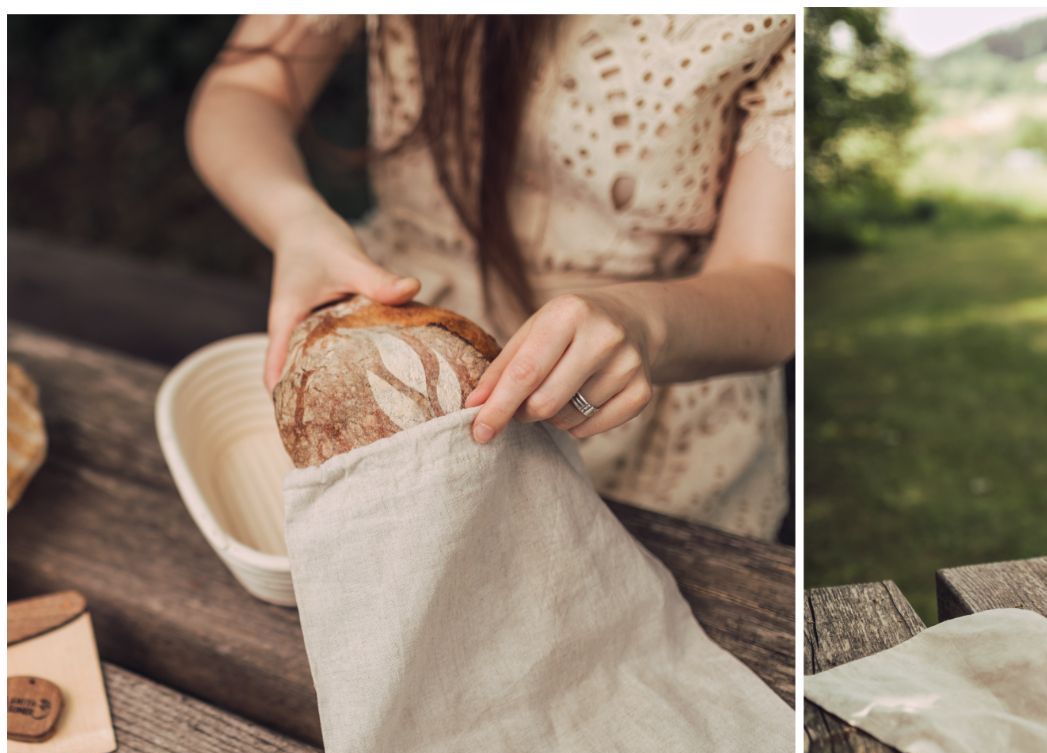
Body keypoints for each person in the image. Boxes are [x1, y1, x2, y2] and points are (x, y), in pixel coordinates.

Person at [187, 14, 795, 539]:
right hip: (388, 341)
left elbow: (771, 277)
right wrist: (296, 219)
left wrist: (642, 326)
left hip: (647, 399)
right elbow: (247, 87)